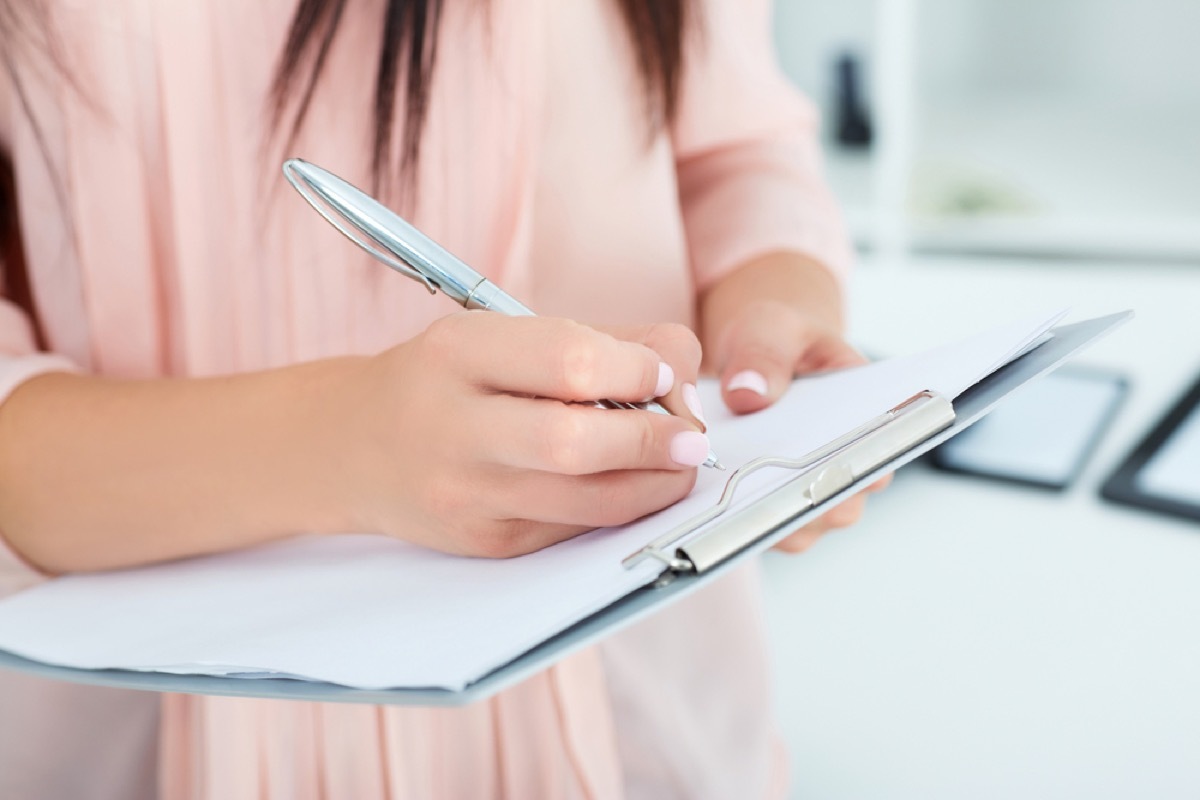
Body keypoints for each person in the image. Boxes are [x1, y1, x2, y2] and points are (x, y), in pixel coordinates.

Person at [0, 0, 881, 797]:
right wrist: (342, 443)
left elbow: (734, 149)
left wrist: (777, 303)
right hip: (138, 731)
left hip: (641, 712)